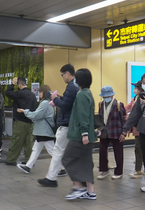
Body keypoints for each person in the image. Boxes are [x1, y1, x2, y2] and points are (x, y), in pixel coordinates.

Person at [38, 64, 79, 187]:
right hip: (71, 124)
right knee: (63, 152)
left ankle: (51, 178)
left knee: (58, 151)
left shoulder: (71, 87)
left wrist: (55, 99)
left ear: (67, 73)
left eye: (62, 75)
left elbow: (66, 106)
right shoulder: (76, 86)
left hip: (66, 124)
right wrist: (60, 98)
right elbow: (68, 102)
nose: (62, 77)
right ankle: (58, 177)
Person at [61, 68, 97, 200]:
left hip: (79, 135)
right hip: (88, 135)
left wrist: (84, 133)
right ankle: (90, 191)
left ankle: (78, 187)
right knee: (86, 162)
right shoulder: (88, 92)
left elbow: (82, 115)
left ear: (79, 80)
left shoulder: (81, 94)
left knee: (67, 158)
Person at [16, 85, 55, 173]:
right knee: (36, 149)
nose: (39, 94)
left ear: (43, 93)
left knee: (52, 151)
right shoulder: (49, 102)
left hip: (44, 131)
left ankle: (62, 168)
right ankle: (28, 166)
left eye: (40, 92)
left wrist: (24, 111)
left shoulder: (45, 103)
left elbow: (36, 115)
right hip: (43, 131)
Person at [5, 77, 37, 165]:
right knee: (29, 143)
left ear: (19, 85)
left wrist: (12, 84)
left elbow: (8, 93)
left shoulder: (20, 94)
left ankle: (11, 160)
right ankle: (29, 161)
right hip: (30, 122)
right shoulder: (32, 95)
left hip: (21, 122)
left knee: (16, 140)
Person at [97, 85, 126, 180]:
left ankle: (119, 171)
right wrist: (98, 129)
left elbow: (124, 119)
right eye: (104, 97)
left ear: (111, 95)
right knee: (102, 151)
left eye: (107, 96)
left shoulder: (118, 104)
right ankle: (104, 170)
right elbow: (100, 118)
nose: (106, 98)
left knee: (118, 152)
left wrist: (123, 133)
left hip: (116, 131)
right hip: (104, 132)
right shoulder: (100, 104)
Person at [125, 81, 145, 178]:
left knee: (138, 148)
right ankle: (143, 169)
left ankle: (138, 170)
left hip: (141, 127)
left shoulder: (142, 98)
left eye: (136, 87)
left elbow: (139, 113)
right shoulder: (135, 98)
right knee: (140, 148)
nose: (135, 89)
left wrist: (129, 117)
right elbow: (127, 107)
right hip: (137, 127)